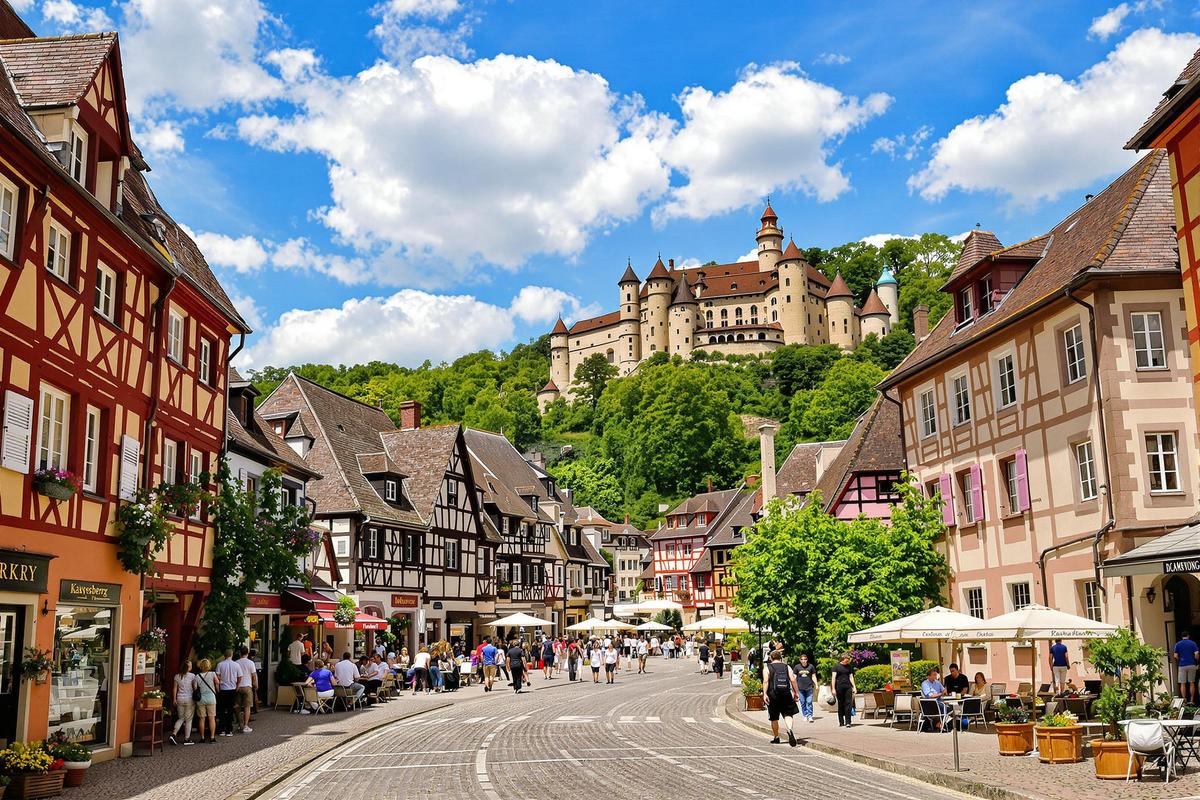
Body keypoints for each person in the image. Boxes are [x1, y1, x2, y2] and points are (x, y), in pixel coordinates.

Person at [763, 650, 799, 746]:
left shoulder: (767, 667)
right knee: (788, 715)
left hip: (773, 695)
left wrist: (765, 694)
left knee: (774, 718)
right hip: (786, 694)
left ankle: (776, 737)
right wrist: (796, 692)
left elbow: (766, 681)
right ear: (780, 657)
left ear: (771, 658)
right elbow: (793, 680)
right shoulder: (786, 667)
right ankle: (790, 730)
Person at [170, 659, 198, 746]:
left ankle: (174, 734)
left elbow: (174, 688)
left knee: (181, 718)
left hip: (180, 699)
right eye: (190, 666)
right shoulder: (193, 676)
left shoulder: (177, 676)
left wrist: (174, 699)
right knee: (188, 719)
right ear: (188, 668)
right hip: (189, 699)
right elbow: (195, 688)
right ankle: (187, 739)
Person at [215, 649, 241, 737]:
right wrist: (237, 686)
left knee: (221, 710)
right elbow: (239, 676)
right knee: (230, 709)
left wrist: (219, 684)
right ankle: (229, 730)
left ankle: (221, 729)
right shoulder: (236, 665)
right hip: (232, 689)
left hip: (222, 689)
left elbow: (217, 676)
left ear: (224, 655)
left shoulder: (220, 664)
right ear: (231, 655)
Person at [195, 658, 218, 743]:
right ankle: (212, 737)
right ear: (209, 666)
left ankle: (202, 737)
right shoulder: (212, 674)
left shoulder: (197, 676)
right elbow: (217, 683)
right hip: (211, 698)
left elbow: (195, 687)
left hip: (201, 698)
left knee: (202, 719)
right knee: (211, 718)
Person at [831, 653, 857, 728]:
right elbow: (833, 678)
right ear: (843, 659)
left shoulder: (849, 667)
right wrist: (833, 689)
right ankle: (841, 721)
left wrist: (854, 687)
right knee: (841, 704)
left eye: (848, 660)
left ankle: (848, 722)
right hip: (839, 687)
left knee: (848, 704)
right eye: (847, 660)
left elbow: (851, 677)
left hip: (848, 687)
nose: (848, 661)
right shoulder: (836, 667)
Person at [236, 647, 258, 733]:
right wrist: (255, 684)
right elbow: (253, 675)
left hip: (238, 686)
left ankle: (239, 724)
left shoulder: (236, 662)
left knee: (237, 706)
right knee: (247, 707)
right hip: (247, 686)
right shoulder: (250, 663)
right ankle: (245, 725)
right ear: (247, 653)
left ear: (240, 653)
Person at [793, 653, 817, 723]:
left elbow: (813, 676)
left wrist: (816, 684)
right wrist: (793, 685)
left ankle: (810, 716)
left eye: (805, 659)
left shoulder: (811, 666)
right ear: (800, 660)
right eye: (802, 659)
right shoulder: (797, 667)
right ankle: (805, 715)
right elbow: (794, 677)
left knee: (809, 702)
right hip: (800, 688)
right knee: (802, 702)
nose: (803, 661)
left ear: (807, 660)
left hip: (809, 687)